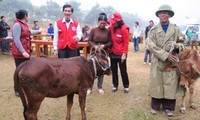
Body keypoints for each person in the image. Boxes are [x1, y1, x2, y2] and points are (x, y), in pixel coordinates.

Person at [148, 4, 185, 117]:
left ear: (169, 15)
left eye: (165, 13)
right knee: (157, 83)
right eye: (161, 13)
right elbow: (151, 45)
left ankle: (169, 108)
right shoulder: (153, 30)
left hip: (171, 63)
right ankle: (155, 106)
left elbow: (183, 43)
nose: (162, 15)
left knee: (170, 84)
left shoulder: (176, 29)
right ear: (158, 15)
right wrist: (165, 55)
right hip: (158, 62)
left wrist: (178, 46)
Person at [12, 9, 41, 96]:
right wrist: (23, 51)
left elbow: (28, 32)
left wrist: (38, 31)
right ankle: (17, 89)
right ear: (25, 16)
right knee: (19, 70)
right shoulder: (17, 24)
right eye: (28, 15)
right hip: (19, 52)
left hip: (26, 51)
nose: (29, 16)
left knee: (26, 71)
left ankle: (26, 87)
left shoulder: (24, 25)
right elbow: (16, 39)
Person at [87, 13, 112, 95]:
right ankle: (89, 87)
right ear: (98, 22)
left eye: (104, 23)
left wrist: (104, 45)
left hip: (103, 53)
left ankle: (100, 87)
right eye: (101, 23)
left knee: (102, 70)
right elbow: (89, 40)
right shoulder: (93, 30)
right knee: (92, 70)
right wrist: (94, 46)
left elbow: (110, 42)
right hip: (94, 52)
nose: (102, 25)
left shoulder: (108, 31)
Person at [108, 12, 130, 93]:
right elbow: (106, 30)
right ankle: (115, 85)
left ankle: (126, 86)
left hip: (121, 54)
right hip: (113, 52)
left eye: (113, 22)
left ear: (118, 22)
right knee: (114, 70)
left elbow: (126, 43)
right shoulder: (111, 27)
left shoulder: (124, 29)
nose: (111, 24)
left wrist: (124, 54)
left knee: (123, 70)